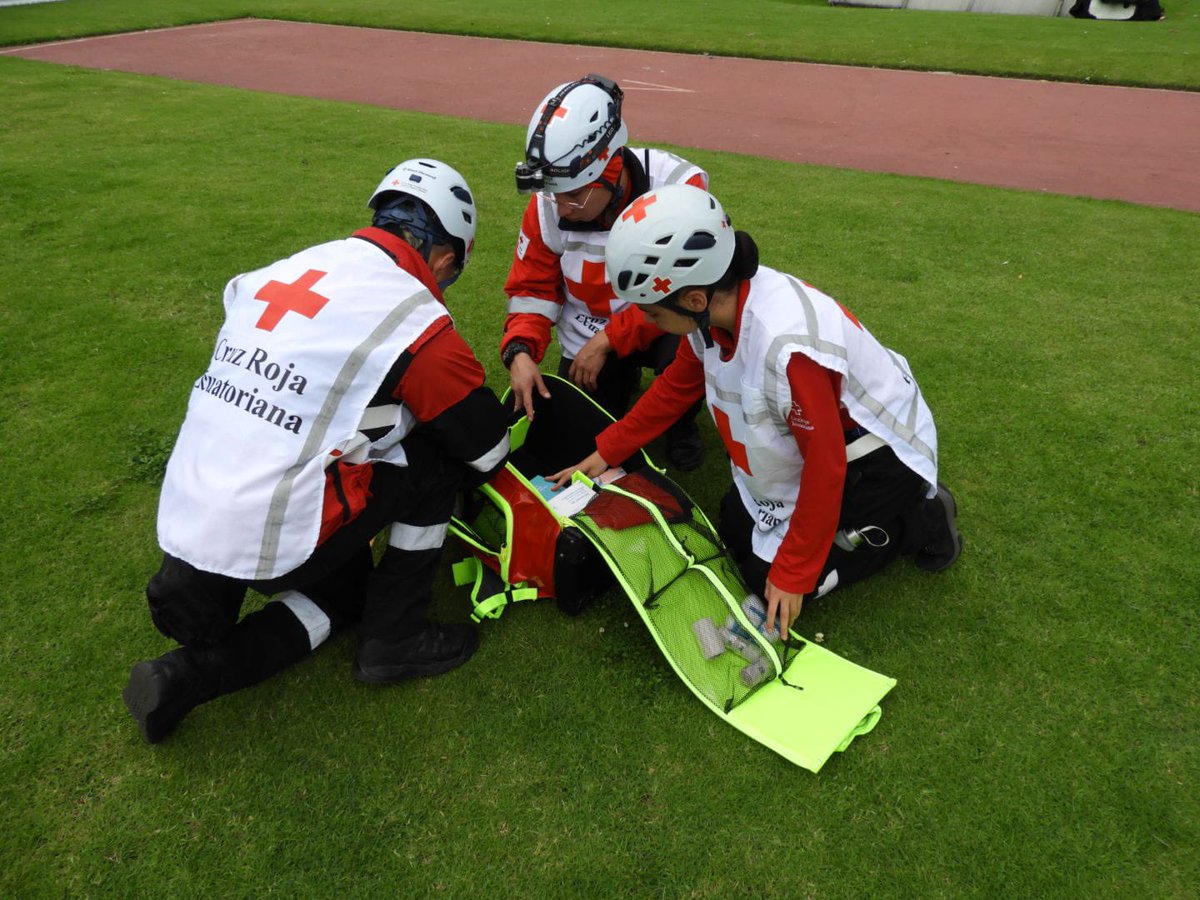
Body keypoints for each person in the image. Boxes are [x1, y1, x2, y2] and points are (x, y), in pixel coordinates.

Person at [123, 159, 510, 743]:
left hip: (192, 507)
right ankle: (394, 637)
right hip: (281, 525)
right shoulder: (416, 321)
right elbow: (487, 451)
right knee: (434, 461)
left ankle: (193, 627)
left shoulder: (292, 268)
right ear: (441, 252)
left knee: (341, 582)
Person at [551, 185, 962, 636]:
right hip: (827, 441)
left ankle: (919, 520)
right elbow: (676, 387)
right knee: (732, 530)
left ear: (693, 301)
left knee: (770, 583)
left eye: (653, 312)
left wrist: (793, 574)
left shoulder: (788, 348)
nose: (649, 322)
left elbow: (826, 467)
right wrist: (610, 448)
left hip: (877, 453)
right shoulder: (716, 306)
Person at [501, 73, 709, 470]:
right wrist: (520, 351)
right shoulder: (551, 199)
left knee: (690, 338)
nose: (560, 208)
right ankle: (623, 380)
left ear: (610, 171)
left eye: (575, 197)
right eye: (554, 194)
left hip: (661, 320)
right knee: (582, 432)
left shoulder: (679, 188)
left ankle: (681, 423)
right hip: (589, 331)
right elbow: (533, 289)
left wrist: (609, 342)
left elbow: (683, 291)